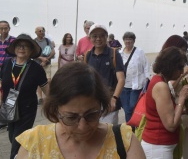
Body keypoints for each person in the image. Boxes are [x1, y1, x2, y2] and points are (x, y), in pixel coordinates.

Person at [15, 62, 145, 159]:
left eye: (91, 115)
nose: (82, 127)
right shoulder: (34, 144)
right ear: (55, 110)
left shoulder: (124, 141)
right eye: (71, 118)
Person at [0, 34, 48, 159]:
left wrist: (56, 105)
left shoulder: (36, 68)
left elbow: (47, 90)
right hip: (9, 104)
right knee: (12, 136)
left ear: (31, 50)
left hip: (27, 108)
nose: (22, 48)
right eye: (19, 45)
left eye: (26, 46)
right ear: (14, 48)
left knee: (18, 140)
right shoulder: (8, 64)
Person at [141, 47, 188, 158]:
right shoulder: (161, 86)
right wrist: (182, 99)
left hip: (160, 147)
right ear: (170, 67)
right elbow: (171, 125)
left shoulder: (160, 80)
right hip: (158, 147)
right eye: (179, 67)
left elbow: (165, 112)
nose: (181, 71)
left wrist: (184, 111)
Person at [161, 35, 188, 159]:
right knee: (176, 152)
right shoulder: (162, 67)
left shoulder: (183, 63)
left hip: (185, 115)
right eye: (182, 49)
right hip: (171, 113)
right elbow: (166, 88)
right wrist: (182, 74)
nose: (184, 53)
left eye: (185, 50)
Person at [85, 24, 125, 125]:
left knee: (109, 134)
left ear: (106, 37)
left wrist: (114, 99)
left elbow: (121, 79)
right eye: (94, 36)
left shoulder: (114, 54)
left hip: (109, 102)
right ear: (90, 38)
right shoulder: (88, 55)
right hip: (92, 102)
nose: (98, 39)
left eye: (101, 36)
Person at [119, 31, 149, 122]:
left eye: (130, 39)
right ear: (123, 41)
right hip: (123, 85)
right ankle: (129, 127)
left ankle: (135, 123)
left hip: (136, 85)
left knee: (132, 106)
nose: (128, 42)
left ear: (134, 41)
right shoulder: (120, 53)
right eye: (126, 39)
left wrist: (147, 78)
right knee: (126, 108)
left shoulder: (139, 52)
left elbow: (146, 65)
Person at [34, 26, 55, 105]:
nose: (42, 32)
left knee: (48, 80)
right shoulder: (34, 41)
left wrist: (46, 59)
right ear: (36, 32)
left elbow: (53, 51)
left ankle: (48, 96)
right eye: (39, 31)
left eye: (43, 30)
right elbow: (31, 53)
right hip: (37, 64)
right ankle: (40, 98)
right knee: (38, 81)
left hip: (47, 63)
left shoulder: (47, 40)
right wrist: (41, 58)